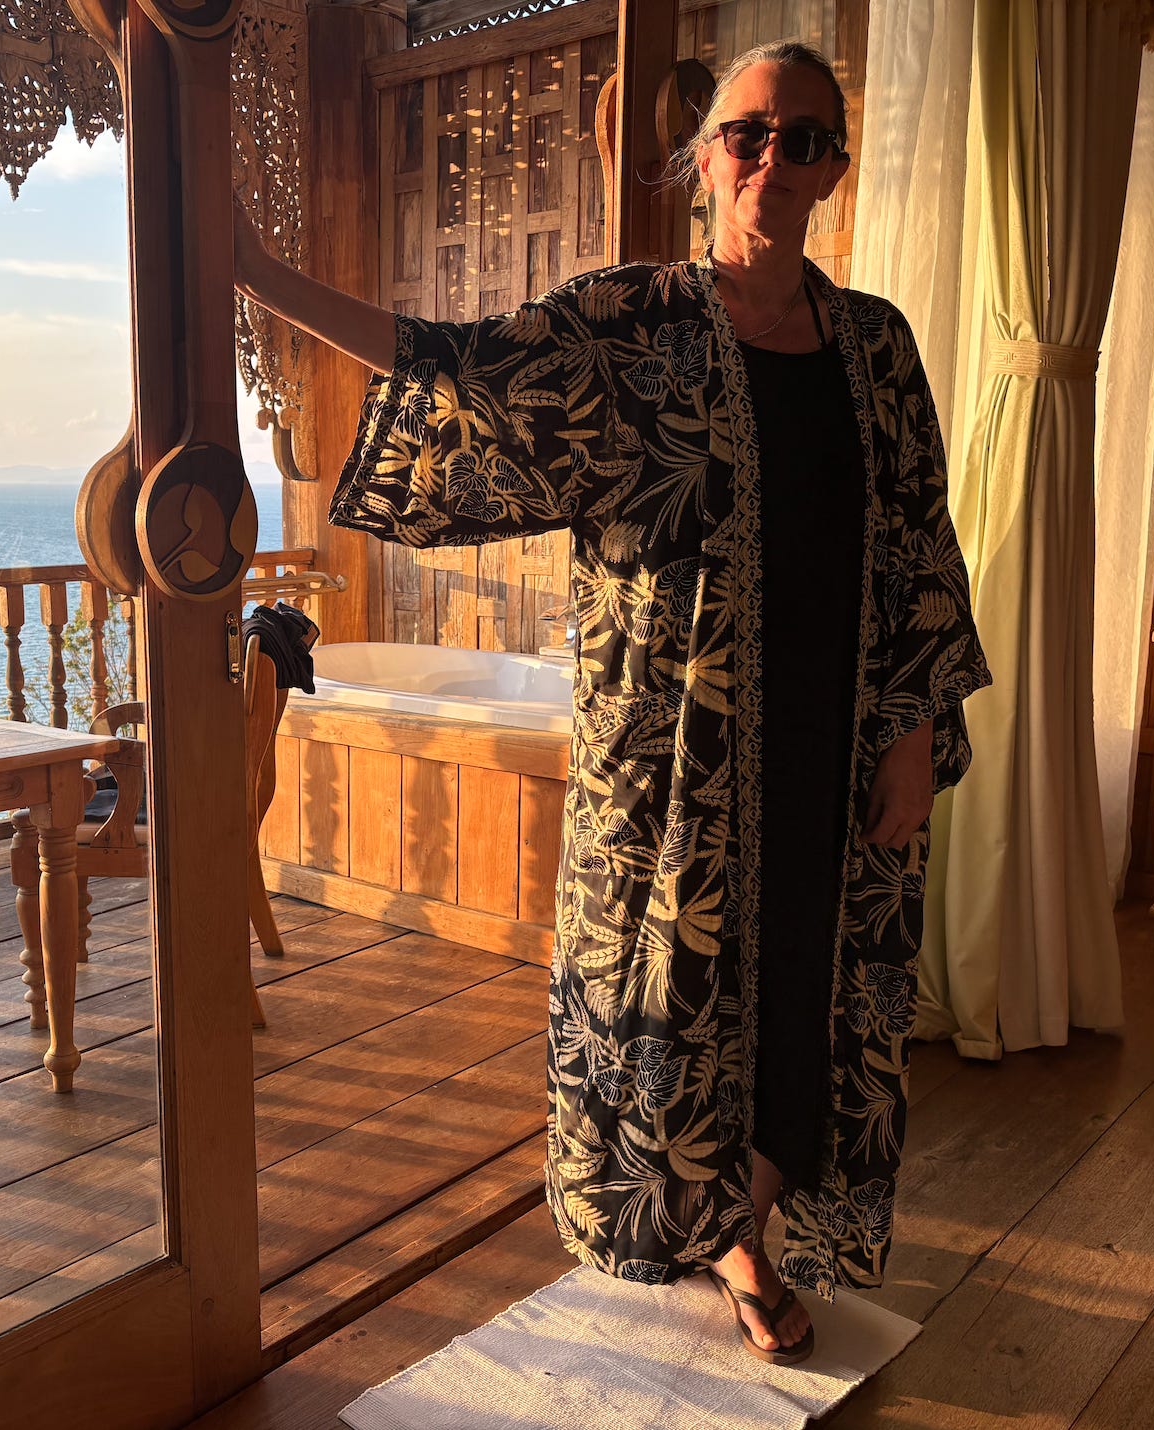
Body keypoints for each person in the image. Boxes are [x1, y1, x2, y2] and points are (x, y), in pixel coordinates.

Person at [232, 40, 991, 1365]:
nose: (773, 158)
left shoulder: (877, 348)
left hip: (838, 734)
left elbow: (921, 542)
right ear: (703, 158)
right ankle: (728, 1240)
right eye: (748, 133)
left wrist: (916, 733)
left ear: (832, 169)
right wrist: (257, 273)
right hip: (674, 747)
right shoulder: (632, 326)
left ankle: (752, 1222)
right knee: (678, 994)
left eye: (805, 138)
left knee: (807, 991)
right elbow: (455, 363)